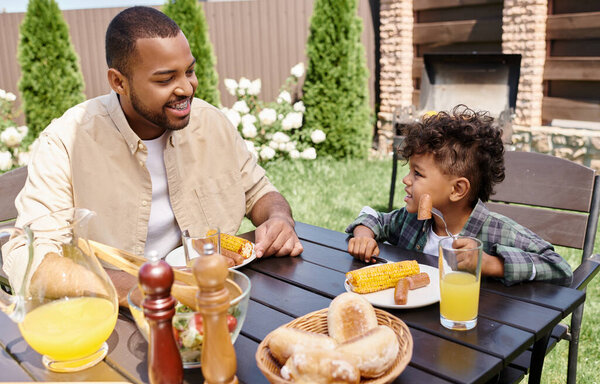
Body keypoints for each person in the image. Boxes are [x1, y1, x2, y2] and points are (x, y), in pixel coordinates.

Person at [1, 6, 303, 302]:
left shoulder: (211, 123)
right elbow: (27, 259)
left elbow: (260, 192)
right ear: (119, 82)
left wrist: (278, 219)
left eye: (190, 71)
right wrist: (148, 287)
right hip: (110, 313)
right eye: (165, 79)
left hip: (212, 297)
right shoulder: (66, 140)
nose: (186, 88)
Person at [346, 106, 572, 286]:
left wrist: (493, 264)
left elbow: (559, 267)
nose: (406, 180)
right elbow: (373, 217)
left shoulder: (496, 231)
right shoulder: (412, 221)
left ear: (457, 190)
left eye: (417, 173)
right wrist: (364, 236)